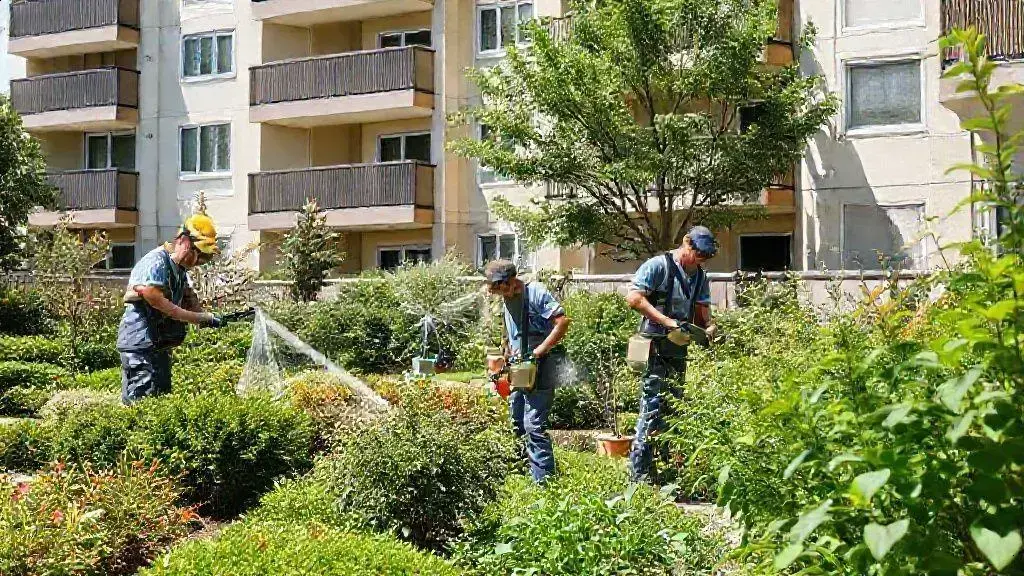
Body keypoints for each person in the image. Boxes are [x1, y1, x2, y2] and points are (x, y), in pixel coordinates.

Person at [625, 226, 719, 482]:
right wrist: (667, 322)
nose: (701, 260)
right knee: (652, 406)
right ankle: (639, 474)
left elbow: (702, 314)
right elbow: (633, 298)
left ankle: (667, 470)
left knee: (674, 409)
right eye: (699, 254)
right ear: (686, 243)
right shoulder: (659, 266)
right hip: (654, 346)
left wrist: (709, 327)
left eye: (706, 257)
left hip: (679, 349)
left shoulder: (700, 277)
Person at [116, 214, 227, 404]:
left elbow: (188, 297)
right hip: (140, 345)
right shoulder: (156, 262)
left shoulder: (179, 271)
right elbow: (157, 300)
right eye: (198, 253)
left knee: (160, 399)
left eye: (204, 257)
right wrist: (199, 318)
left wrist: (207, 316)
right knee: (140, 402)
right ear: (184, 241)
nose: (199, 260)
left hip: (158, 345)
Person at [485, 260, 571, 483]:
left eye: (500, 287)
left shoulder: (536, 293)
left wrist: (540, 351)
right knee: (516, 420)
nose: (498, 292)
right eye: (495, 289)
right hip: (519, 367)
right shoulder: (507, 300)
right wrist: (504, 356)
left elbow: (562, 322)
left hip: (543, 365)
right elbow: (510, 333)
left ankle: (544, 483)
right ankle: (523, 473)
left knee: (534, 424)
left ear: (511, 280)